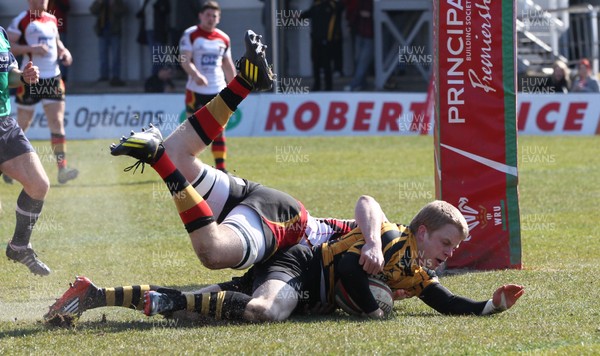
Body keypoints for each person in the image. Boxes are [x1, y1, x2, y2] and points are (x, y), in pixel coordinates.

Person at [107, 30, 385, 276]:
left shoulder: (407, 269)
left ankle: (246, 81)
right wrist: (374, 243)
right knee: (213, 253)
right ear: (422, 233)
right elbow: (368, 203)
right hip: (288, 225)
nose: (429, 266)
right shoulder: (398, 244)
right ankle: (157, 158)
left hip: (272, 213)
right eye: (430, 262)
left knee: (177, 156)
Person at [44, 199, 525, 323]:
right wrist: (374, 309)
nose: (450, 253)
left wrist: (491, 305)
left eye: (454, 249)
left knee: (196, 310)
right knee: (262, 311)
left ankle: (94, 295)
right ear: (422, 231)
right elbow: (357, 267)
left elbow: (445, 303)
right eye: (446, 243)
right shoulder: (396, 240)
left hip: (308, 288)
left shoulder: (416, 271)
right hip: (300, 266)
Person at [6, 0, 78, 185]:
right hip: (30, 77)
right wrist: (31, 49)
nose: (43, 2)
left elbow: (57, 42)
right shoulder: (21, 20)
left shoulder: (52, 19)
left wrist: (65, 52)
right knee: (23, 123)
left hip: (53, 77)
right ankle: (7, 165)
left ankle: (62, 169)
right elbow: (10, 48)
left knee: (57, 123)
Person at [0, 26, 51, 276]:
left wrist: (23, 76)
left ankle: (19, 245)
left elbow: (7, 74)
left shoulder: (1, 33)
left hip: (4, 124)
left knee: (39, 184)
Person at [178, 0, 236, 173]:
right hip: (195, 91)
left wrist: (234, 88)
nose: (211, 19)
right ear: (200, 16)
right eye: (208, 15)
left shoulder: (223, 38)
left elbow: (227, 64)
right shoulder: (191, 34)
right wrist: (196, 75)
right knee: (191, 131)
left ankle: (222, 169)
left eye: (214, 16)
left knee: (219, 130)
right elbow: (184, 59)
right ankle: (189, 168)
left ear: (219, 18)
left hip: (217, 90)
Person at [301, 0, 340, 91]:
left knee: (326, 64)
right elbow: (306, 14)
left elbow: (339, 11)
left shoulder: (332, 5)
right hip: (316, 39)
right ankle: (317, 85)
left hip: (327, 40)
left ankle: (328, 86)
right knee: (316, 63)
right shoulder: (316, 6)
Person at [90, 0, 128, 87]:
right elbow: (92, 10)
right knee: (103, 55)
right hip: (102, 31)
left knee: (116, 56)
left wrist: (113, 4)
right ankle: (104, 76)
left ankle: (116, 76)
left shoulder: (117, 2)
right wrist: (99, 3)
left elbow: (123, 11)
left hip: (114, 32)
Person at [344, 0, 374, 92]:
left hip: (370, 34)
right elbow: (355, 12)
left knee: (363, 60)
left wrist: (370, 14)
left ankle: (355, 84)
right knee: (358, 58)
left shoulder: (373, 3)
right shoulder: (359, 2)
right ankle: (362, 83)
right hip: (360, 32)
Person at [136, 0, 171, 76]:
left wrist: (159, 7)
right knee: (153, 52)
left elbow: (166, 10)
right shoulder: (147, 1)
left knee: (159, 52)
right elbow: (144, 12)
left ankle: (158, 73)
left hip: (159, 29)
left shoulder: (162, 1)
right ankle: (156, 73)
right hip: (149, 29)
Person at [47, 0, 70, 82]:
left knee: (62, 54)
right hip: (45, 31)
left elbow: (66, 8)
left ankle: (63, 78)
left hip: (60, 29)